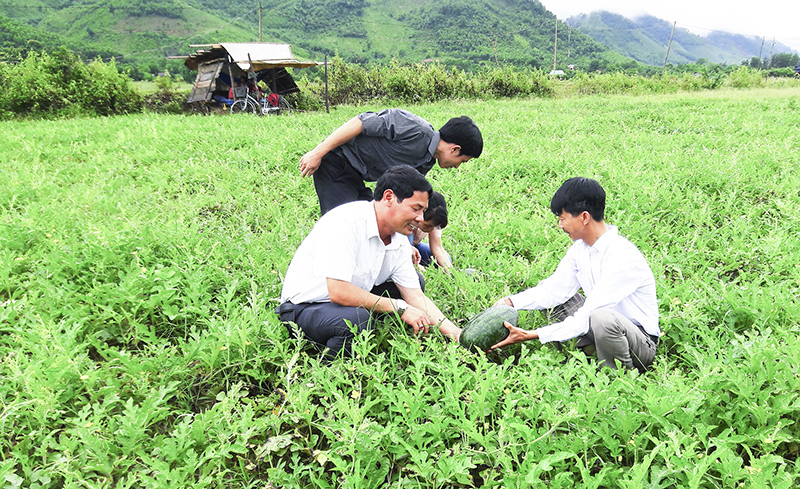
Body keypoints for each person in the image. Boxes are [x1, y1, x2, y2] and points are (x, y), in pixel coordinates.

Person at [277, 166, 461, 361]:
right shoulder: (345, 222)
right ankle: (329, 370)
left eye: (423, 211)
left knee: (415, 282)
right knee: (356, 321)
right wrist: (398, 307)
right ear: (389, 197)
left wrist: (455, 332)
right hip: (305, 308)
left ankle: (366, 328)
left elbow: (415, 296)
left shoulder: (398, 238)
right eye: (416, 209)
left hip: (347, 300)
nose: (420, 218)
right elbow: (338, 291)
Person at [491, 177, 660, 371]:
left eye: (562, 218)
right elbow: (553, 290)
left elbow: (589, 313)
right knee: (552, 296)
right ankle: (590, 350)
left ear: (584, 217)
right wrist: (511, 302)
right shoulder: (580, 249)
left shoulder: (623, 256)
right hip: (600, 326)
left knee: (602, 318)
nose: (560, 225)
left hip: (638, 342)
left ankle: (617, 376)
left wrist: (533, 334)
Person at [298, 108, 483, 215]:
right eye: (462, 161)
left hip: (355, 176)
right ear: (455, 149)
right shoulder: (415, 128)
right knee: (341, 223)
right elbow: (361, 122)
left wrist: (418, 225)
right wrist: (318, 152)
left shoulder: (427, 163)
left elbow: (401, 195)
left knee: (372, 219)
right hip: (337, 162)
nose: (457, 166)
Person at [409, 191, 453, 273]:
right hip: (399, 249)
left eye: (433, 227)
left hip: (415, 248)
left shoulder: (435, 218)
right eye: (427, 226)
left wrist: (452, 274)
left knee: (446, 259)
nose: (430, 230)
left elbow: (437, 247)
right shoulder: (406, 218)